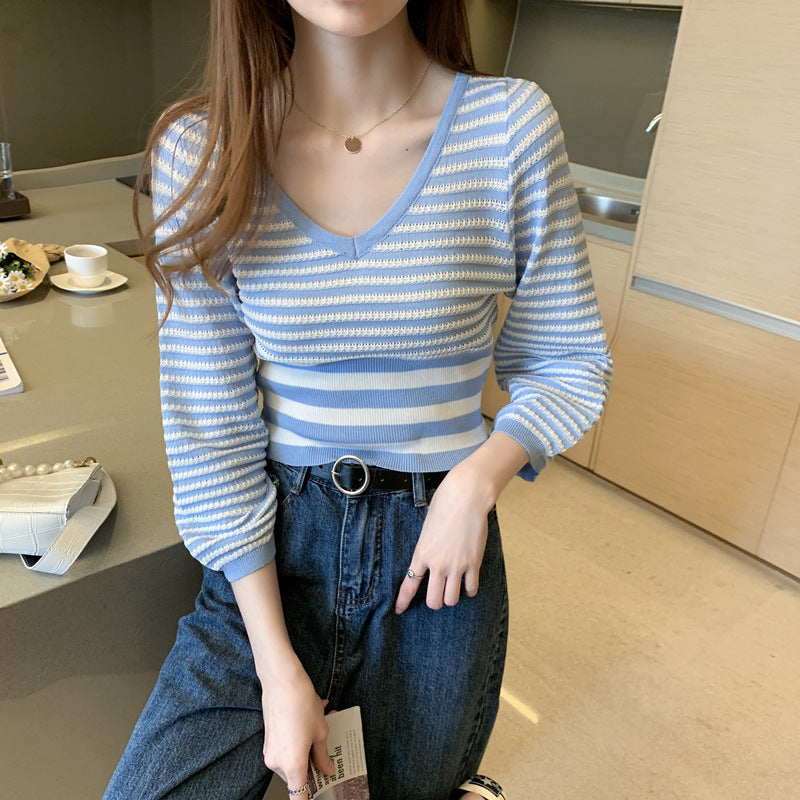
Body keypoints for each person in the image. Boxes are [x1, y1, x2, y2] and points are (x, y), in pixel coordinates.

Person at [104, 1, 612, 799]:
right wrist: (277, 668)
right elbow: (212, 429)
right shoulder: (203, 148)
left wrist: (476, 481)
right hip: (273, 551)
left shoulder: (508, 127)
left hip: (434, 565)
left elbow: (567, 358)